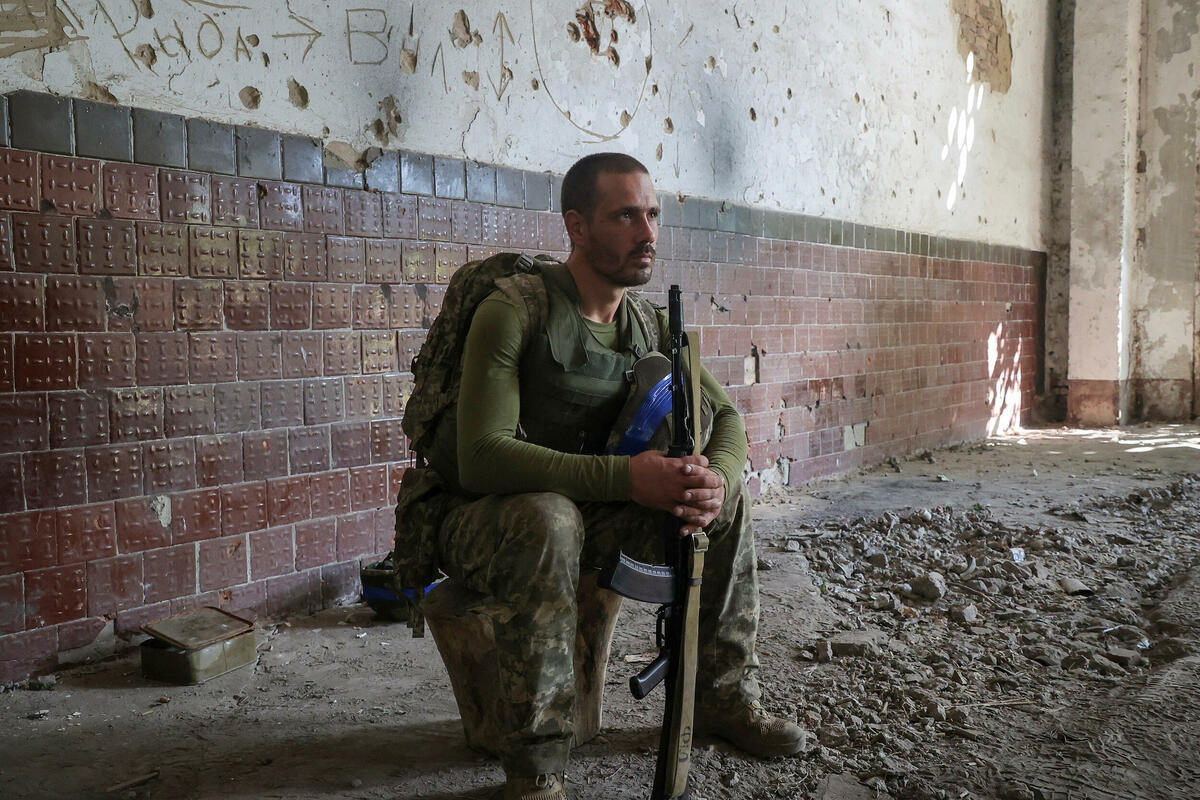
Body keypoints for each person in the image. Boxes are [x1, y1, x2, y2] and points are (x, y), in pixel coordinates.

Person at [425, 153, 804, 800]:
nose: (647, 233)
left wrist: (714, 479)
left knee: (723, 495)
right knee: (548, 517)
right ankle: (537, 764)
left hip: (589, 517)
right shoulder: (515, 310)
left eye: (652, 214)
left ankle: (721, 694)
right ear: (577, 226)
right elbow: (483, 455)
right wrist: (629, 480)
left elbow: (726, 420)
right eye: (625, 216)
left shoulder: (651, 325)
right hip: (484, 520)